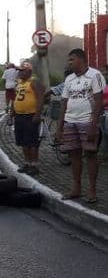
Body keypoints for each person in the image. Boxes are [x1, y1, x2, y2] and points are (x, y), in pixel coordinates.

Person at [56, 49, 105, 203]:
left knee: (91, 154)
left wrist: (94, 124)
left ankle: (92, 190)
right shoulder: (69, 79)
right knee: (74, 155)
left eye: (72, 59)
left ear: (82, 60)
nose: (69, 62)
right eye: (69, 60)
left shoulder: (95, 75)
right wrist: (60, 126)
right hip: (70, 122)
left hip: (87, 121)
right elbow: (64, 103)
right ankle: (76, 188)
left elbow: (99, 101)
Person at [9, 62, 44, 175]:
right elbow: (14, 99)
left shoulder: (33, 82)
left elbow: (40, 98)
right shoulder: (18, 83)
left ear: (29, 71)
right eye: (19, 71)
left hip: (30, 116)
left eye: (22, 70)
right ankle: (27, 163)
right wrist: (11, 113)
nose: (19, 73)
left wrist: (37, 114)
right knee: (23, 142)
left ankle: (34, 165)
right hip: (19, 116)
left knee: (32, 142)